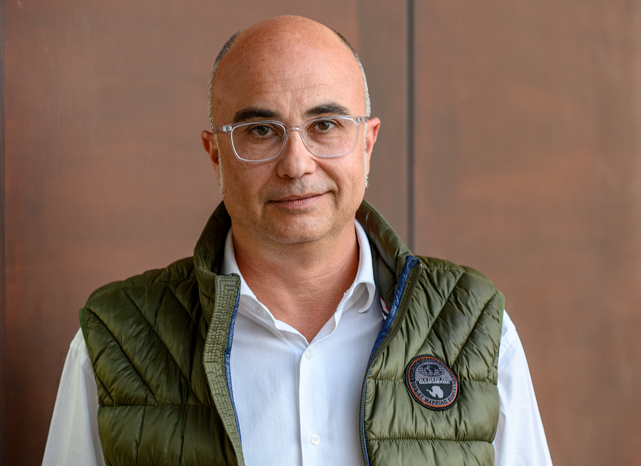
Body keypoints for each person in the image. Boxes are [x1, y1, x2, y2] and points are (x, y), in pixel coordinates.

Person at [43, 15, 553, 466]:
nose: (296, 164)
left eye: (325, 124)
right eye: (261, 131)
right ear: (216, 153)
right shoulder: (117, 340)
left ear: (367, 142)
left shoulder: (471, 326)